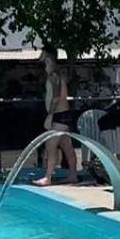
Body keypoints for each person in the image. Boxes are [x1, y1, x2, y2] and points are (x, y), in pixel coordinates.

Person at [32, 46, 79, 185]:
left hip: (58, 115)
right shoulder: (58, 73)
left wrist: (50, 116)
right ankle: (73, 175)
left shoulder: (54, 75)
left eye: (42, 53)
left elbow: (56, 97)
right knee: (66, 145)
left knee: (50, 145)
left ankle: (48, 177)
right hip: (64, 114)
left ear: (48, 57)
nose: (40, 56)